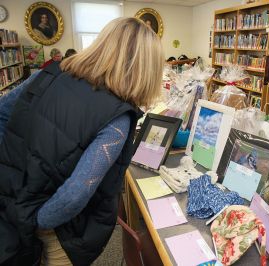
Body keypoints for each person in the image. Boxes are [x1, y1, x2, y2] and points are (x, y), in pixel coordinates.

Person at [0, 17, 164, 266]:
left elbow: (4, 114)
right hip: (57, 227)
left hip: (14, 198)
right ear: (146, 68)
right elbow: (75, 194)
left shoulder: (48, 75)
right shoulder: (117, 117)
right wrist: (36, 222)